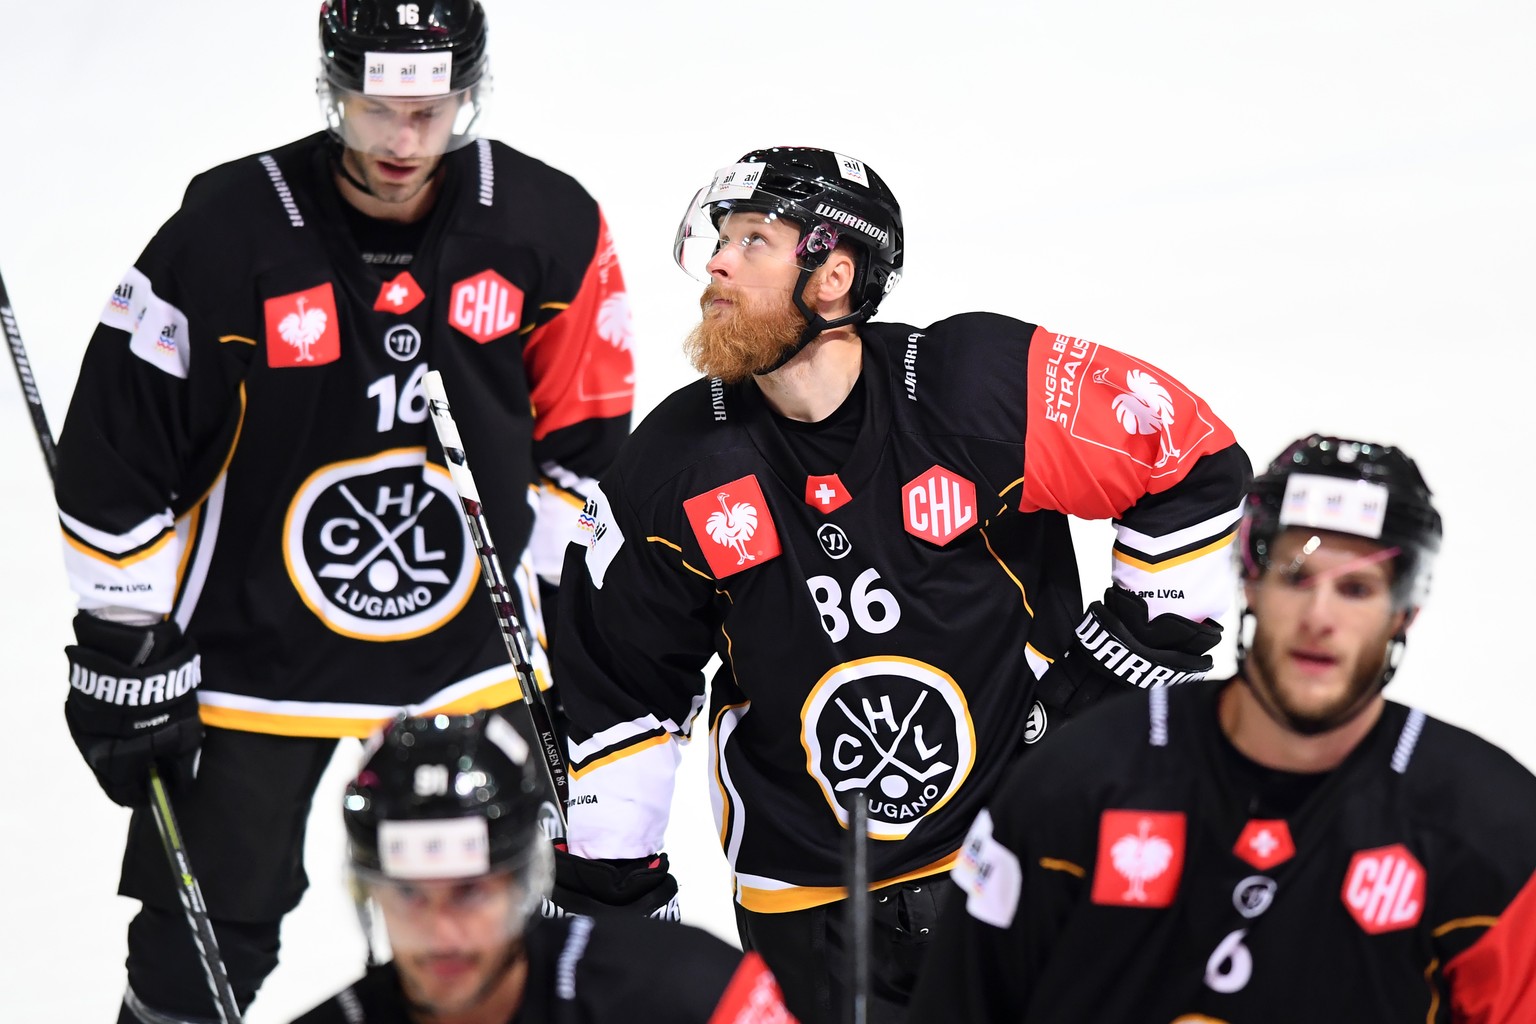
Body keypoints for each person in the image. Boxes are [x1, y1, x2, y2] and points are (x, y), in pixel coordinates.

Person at [545, 146, 1251, 1023]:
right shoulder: (673, 465)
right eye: (720, 238)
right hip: (812, 900)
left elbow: (1189, 459)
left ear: (834, 274)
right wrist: (613, 893)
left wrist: (1115, 673)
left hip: (1025, 853)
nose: (717, 262)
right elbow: (618, 688)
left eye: (754, 240)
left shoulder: (972, 386)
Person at [55, 3, 634, 1020]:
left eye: (431, 109)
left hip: (470, 649)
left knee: (493, 928)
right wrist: (119, 626)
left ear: (469, 89)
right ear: (333, 87)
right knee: (195, 945)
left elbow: (584, 431)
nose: (403, 142)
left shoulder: (547, 222)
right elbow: (123, 433)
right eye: (376, 109)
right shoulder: (229, 225)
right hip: (250, 652)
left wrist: (560, 614)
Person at [908, 434, 1536, 1022]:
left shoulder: (1491, 830)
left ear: (1405, 613)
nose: (1320, 617)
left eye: (1356, 588)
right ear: (1250, 577)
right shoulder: (1073, 785)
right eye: (1297, 576)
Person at [293, 709, 795, 1024]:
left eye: (470, 892)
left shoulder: (689, 990)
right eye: (408, 895)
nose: (442, 933)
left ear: (524, 883)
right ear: (367, 895)